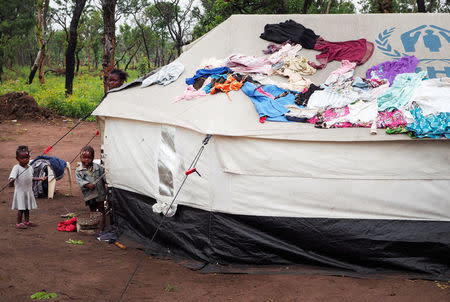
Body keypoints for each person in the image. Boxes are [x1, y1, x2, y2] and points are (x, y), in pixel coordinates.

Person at [8, 146, 47, 229]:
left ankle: (27, 221)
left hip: (28, 191)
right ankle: (18, 223)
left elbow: (31, 178)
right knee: (21, 208)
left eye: (27, 158)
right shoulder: (16, 168)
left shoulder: (30, 167)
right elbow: (12, 177)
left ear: (29, 157)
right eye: (22, 158)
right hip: (20, 192)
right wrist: (11, 181)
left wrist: (40, 178)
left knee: (27, 208)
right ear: (17, 158)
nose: (25, 160)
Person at [75, 145, 107, 230]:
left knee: (101, 208)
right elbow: (79, 181)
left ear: (93, 158)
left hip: (100, 193)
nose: (86, 160)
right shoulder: (78, 171)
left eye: (89, 158)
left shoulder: (98, 168)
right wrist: (86, 184)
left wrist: (106, 179)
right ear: (80, 157)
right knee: (92, 209)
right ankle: (94, 224)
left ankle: (102, 225)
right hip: (89, 195)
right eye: (83, 157)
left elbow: (104, 177)